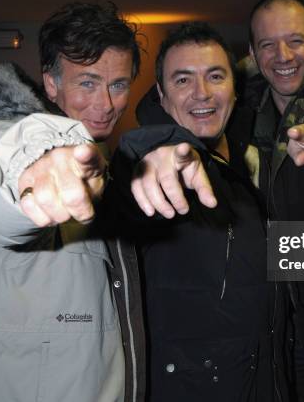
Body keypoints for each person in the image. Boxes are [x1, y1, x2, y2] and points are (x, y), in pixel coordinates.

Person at [131, 0, 304, 402]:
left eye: (295, 41)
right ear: (252, 55)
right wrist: (164, 143)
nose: (283, 55)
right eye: (267, 45)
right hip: (285, 327)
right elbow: (160, 104)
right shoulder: (241, 107)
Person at [0, 2, 146, 402]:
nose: (106, 104)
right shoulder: (0, 130)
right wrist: (28, 172)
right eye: (87, 82)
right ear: (50, 84)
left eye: (117, 84)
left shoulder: (98, 165)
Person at [112, 22, 288, 401]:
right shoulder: (159, 171)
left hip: (263, 377)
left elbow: (279, 255)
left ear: (234, 89)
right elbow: (138, 154)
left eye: (215, 76)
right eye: (182, 80)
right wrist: (158, 150)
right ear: (160, 94)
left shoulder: (243, 165)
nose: (202, 93)